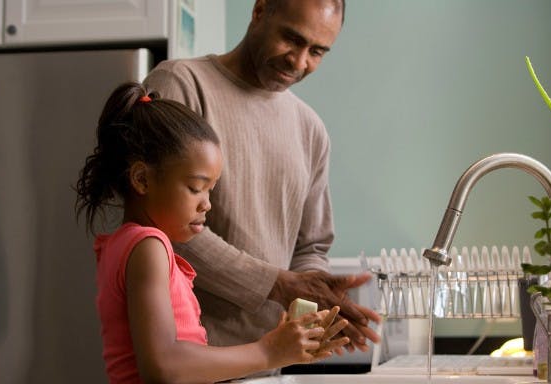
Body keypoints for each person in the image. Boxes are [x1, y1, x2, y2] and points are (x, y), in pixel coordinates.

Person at [144, 0, 381, 354]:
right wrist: (278, 285)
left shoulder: (310, 129)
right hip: (187, 358)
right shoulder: (182, 84)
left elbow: (311, 246)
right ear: (259, 11)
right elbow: (159, 221)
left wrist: (316, 297)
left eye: (317, 52)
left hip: (270, 361)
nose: (299, 62)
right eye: (292, 39)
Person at [75, 82, 349, 383]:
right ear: (142, 179)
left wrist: (281, 347)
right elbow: (164, 366)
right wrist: (269, 351)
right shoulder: (148, 246)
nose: (206, 204)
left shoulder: (125, 244)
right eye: (196, 188)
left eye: (211, 190)